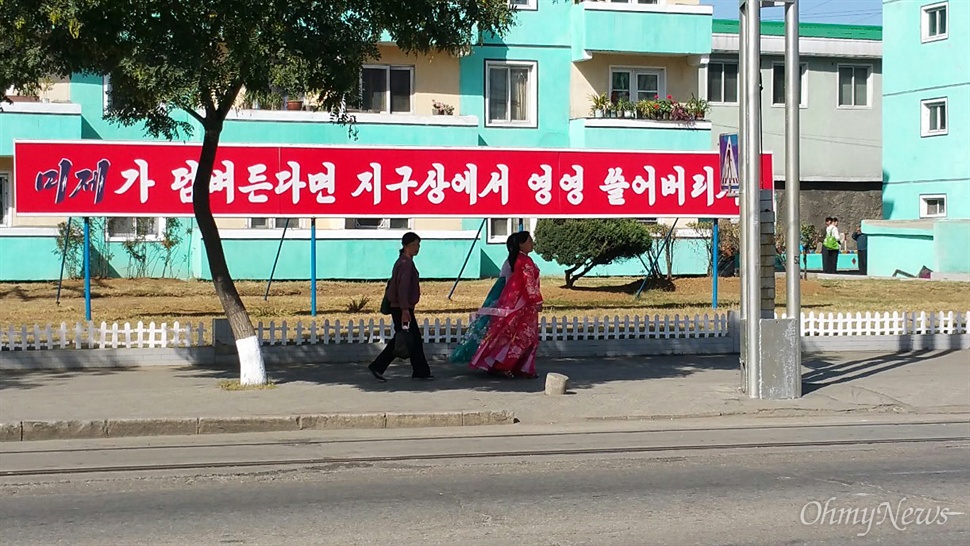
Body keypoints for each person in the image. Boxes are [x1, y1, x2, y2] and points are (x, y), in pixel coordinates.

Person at [469, 231, 543, 379]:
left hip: (513, 302)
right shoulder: (525, 261)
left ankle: (501, 365)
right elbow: (529, 284)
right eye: (529, 240)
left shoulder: (516, 260)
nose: (532, 243)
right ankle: (515, 367)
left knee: (507, 333)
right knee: (524, 336)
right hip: (524, 306)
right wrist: (537, 300)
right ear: (521, 244)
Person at [368, 232, 434, 382]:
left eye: (419, 245)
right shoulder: (405, 264)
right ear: (406, 246)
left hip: (401, 306)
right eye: (414, 245)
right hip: (401, 307)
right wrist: (405, 309)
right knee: (406, 338)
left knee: (411, 338)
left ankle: (420, 371)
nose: (417, 248)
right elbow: (402, 288)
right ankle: (378, 366)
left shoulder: (403, 261)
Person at [449, 239, 513, 364]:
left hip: (505, 292)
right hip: (504, 293)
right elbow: (510, 281)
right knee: (489, 324)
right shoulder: (511, 263)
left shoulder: (513, 262)